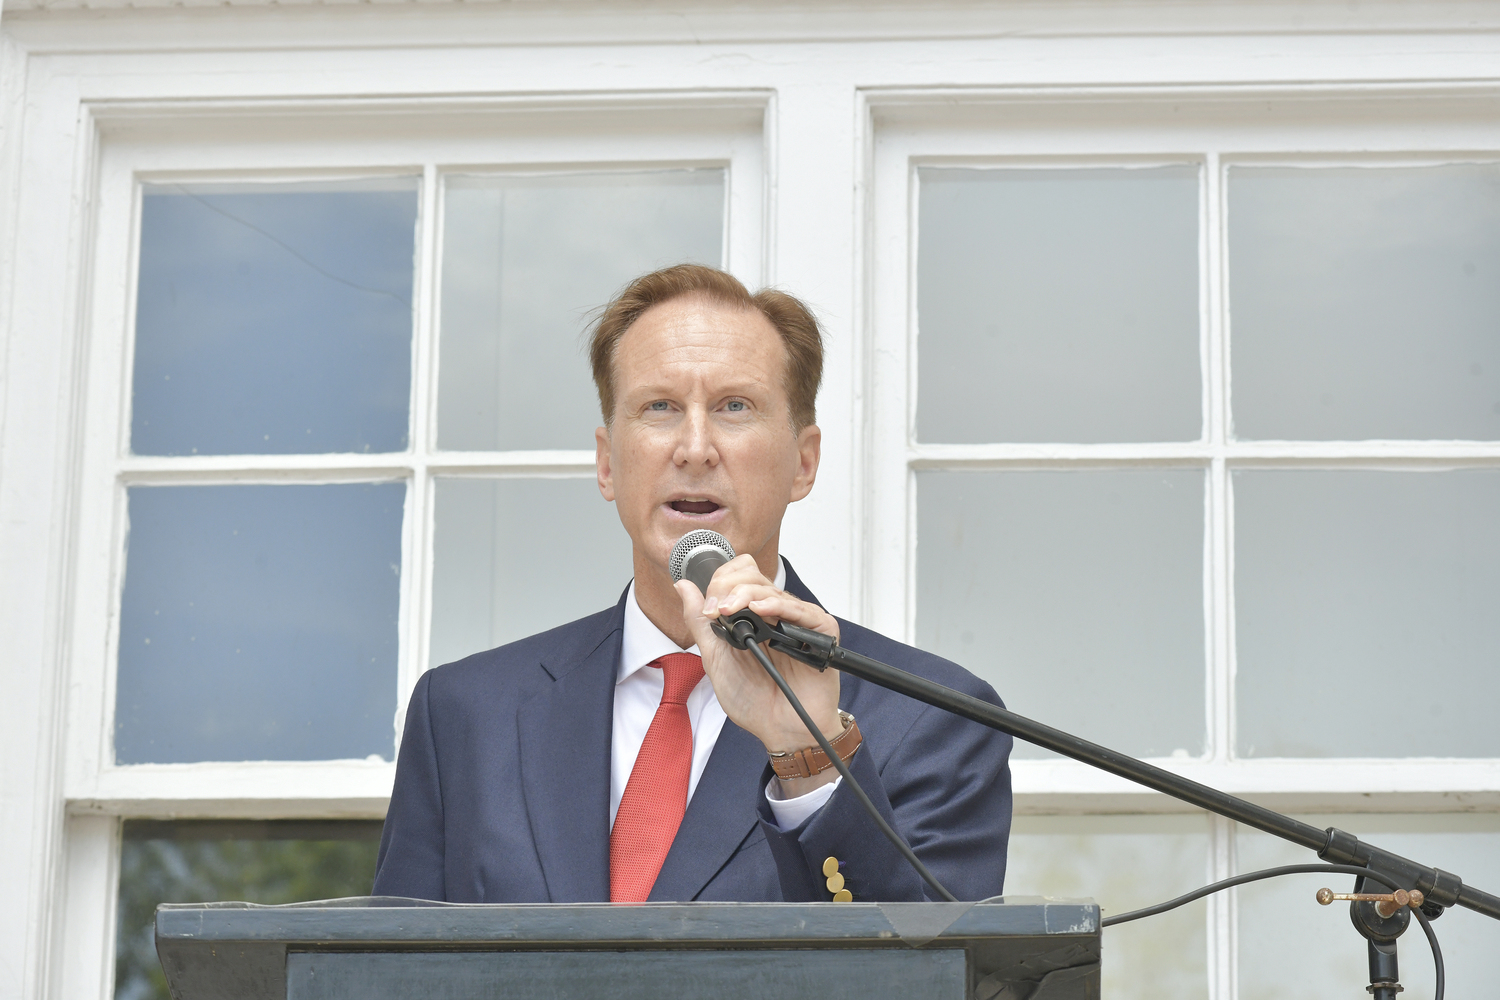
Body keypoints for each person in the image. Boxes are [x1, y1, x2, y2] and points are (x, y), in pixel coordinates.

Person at [373, 264, 1013, 903]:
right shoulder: (464, 715)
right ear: (607, 463)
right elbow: (387, 979)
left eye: (736, 407)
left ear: (803, 463)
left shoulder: (935, 718)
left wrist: (806, 754)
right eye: (660, 408)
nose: (695, 447)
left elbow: (927, 973)